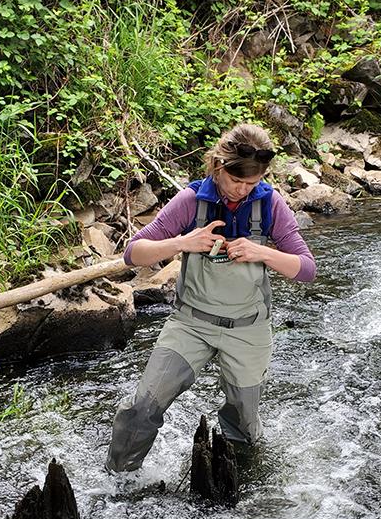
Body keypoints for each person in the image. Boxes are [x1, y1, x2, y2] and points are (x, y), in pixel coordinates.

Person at [105, 123, 316, 472]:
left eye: (254, 183)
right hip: (190, 325)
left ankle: (237, 496)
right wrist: (182, 243)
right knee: (142, 408)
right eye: (237, 181)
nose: (244, 191)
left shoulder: (270, 204)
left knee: (244, 426)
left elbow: (307, 269)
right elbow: (133, 253)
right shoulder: (192, 200)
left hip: (248, 329)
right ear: (219, 166)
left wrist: (262, 253)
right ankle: (117, 480)